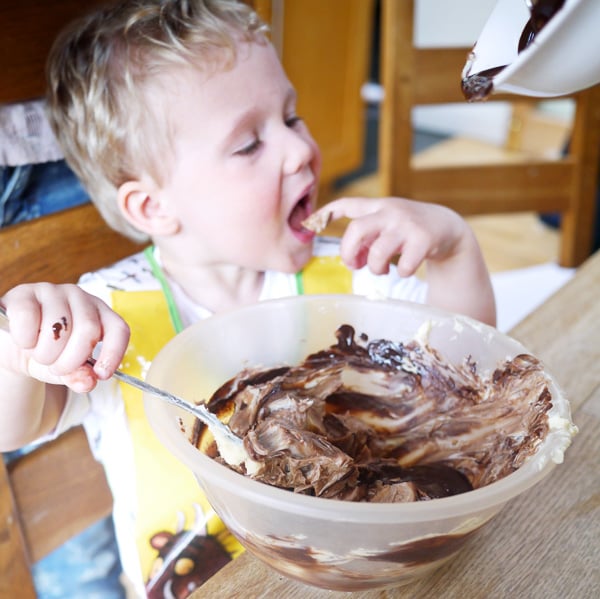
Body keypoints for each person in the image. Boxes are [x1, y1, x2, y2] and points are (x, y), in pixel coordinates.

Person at [0, 0, 496, 596]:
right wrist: (23, 348)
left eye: (291, 117)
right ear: (154, 207)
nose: (298, 150)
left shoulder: (353, 274)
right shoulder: (108, 317)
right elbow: (15, 427)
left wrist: (455, 251)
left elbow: (465, 383)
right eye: (248, 145)